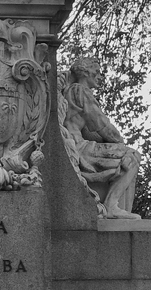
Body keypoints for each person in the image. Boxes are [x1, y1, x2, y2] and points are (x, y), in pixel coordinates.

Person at [59, 57, 145, 221]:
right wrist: (119, 142)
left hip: (78, 144)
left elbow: (89, 130)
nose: (100, 76)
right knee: (132, 157)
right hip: (80, 148)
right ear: (85, 72)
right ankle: (112, 206)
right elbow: (101, 124)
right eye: (96, 72)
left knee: (127, 156)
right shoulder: (80, 90)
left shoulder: (70, 91)